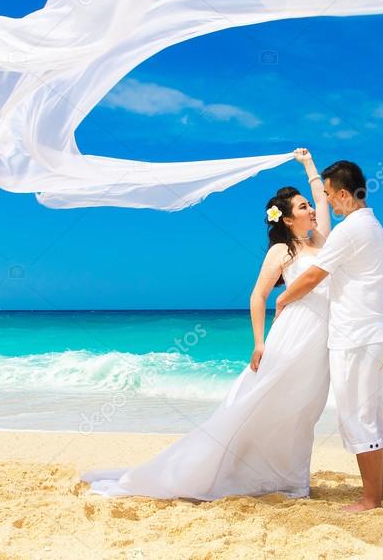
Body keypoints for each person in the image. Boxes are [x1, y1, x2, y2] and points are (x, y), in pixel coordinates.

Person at [80, 148, 333, 500]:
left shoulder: (322, 239)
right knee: (262, 405)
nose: (310, 209)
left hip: (321, 339)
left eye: (308, 205)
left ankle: (291, 480)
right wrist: (259, 343)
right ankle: (226, 471)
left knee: (304, 408)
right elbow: (257, 297)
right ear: (288, 220)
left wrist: (308, 164)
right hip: (291, 336)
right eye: (302, 207)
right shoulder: (282, 252)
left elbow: (322, 197)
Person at [274, 160, 383, 512]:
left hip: (354, 337)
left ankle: (370, 499)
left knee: (358, 418)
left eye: (328, 195)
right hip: (374, 334)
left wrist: (282, 297)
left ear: (343, 194)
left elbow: (314, 276)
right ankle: (379, 493)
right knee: (374, 417)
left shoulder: (350, 230)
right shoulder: (373, 225)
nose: (326, 202)